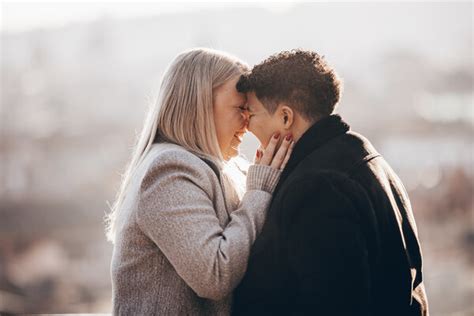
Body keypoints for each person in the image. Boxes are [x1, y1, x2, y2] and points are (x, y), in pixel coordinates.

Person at [232, 49, 429, 316]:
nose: (246, 125)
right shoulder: (370, 159)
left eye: (251, 114)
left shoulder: (317, 189)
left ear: (286, 117)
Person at [105, 48, 294, 315]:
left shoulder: (225, 168)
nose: (247, 123)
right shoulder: (168, 171)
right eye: (240, 108)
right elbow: (215, 276)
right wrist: (259, 190)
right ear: (199, 103)